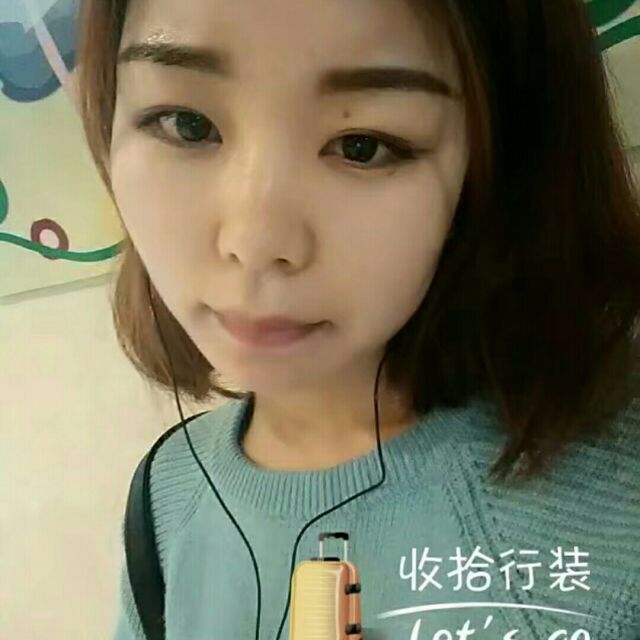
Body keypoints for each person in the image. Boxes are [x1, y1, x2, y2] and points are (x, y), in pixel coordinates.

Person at [75, 0, 640, 638]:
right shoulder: (166, 495)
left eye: (362, 147)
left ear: (501, 161)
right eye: (187, 125)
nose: (254, 242)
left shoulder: (616, 489)